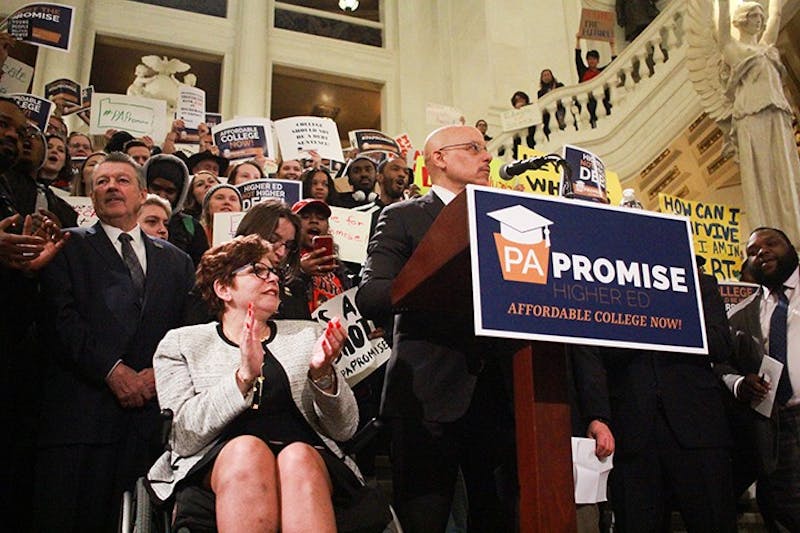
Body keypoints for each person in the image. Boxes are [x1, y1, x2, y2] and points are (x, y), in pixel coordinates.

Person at [147, 235, 391, 532]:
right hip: (218, 464)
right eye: (257, 270)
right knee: (247, 450)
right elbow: (183, 438)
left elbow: (345, 428)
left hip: (310, 458)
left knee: (297, 456)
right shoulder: (183, 343)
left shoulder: (308, 335)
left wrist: (322, 375)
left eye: (273, 271)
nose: (272, 278)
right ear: (223, 288)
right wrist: (242, 378)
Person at [357, 125, 517, 531]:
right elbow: (372, 295)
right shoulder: (403, 217)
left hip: (500, 395)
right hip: (426, 397)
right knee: (424, 519)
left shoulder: (505, 218)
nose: (487, 158)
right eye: (474, 148)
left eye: (487, 150)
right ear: (439, 159)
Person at [35, 151, 195, 532]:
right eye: (101, 182)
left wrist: (156, 376)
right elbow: (61, 319)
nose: (110, 187)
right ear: (92, 198)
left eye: (121, 180)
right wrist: (112, 371)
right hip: (81, 417)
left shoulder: (176, 261)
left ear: (142, 194)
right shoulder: (66, 246)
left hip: (149, 424)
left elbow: (187, 329)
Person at [571, 270, 737, 532]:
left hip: (699, 428)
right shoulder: (601, 283)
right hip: (630, 432)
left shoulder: (697, 281)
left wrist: (663, 313)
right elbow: (589, 350)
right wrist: (597, 416)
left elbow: (720, 344)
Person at [720, 227, 800, 530]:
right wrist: (740, 384)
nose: (761, 252)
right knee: (785, 511)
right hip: (776, 424)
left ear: (791, 248)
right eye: (752, 251)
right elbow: (721, 364)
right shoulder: (742, 314)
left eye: (771, 244)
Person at [717, 0, 800, 245]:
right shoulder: (734, 50)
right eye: (754, 16)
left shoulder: (766, 48)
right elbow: (721, 28)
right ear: (741, 19)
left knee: (785, 172)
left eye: (759, 17)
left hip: (777, 113)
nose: (759, 20)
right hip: (751, 117)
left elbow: (775, 14)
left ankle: (792, 231)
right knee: (761, 174)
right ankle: (768, 234)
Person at [235, 199, 308, 319]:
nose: (281, 252)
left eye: (289, 246)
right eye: (273, 240)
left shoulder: (295, 288)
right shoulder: (221, 276)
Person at [142, 153, 209, 265]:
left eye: (170, 191)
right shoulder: (125, 219)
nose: (161, 195)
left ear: (180, 193)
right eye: (156, 188)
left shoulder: (191, 226)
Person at [291, 199, 350, 313]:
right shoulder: (284, 259)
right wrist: (300, 272)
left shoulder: (338, 267)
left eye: (321, 218)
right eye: (305, 217)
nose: (314, 221)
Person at [537, 69, 567, 134]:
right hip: (549, 115)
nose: (546, 77)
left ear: (551, 76)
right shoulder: (540, 92)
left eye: (548, 75)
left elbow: (565, 97)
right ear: (542, 78)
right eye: (544, 75)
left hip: (561, 110)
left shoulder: (559, 85)